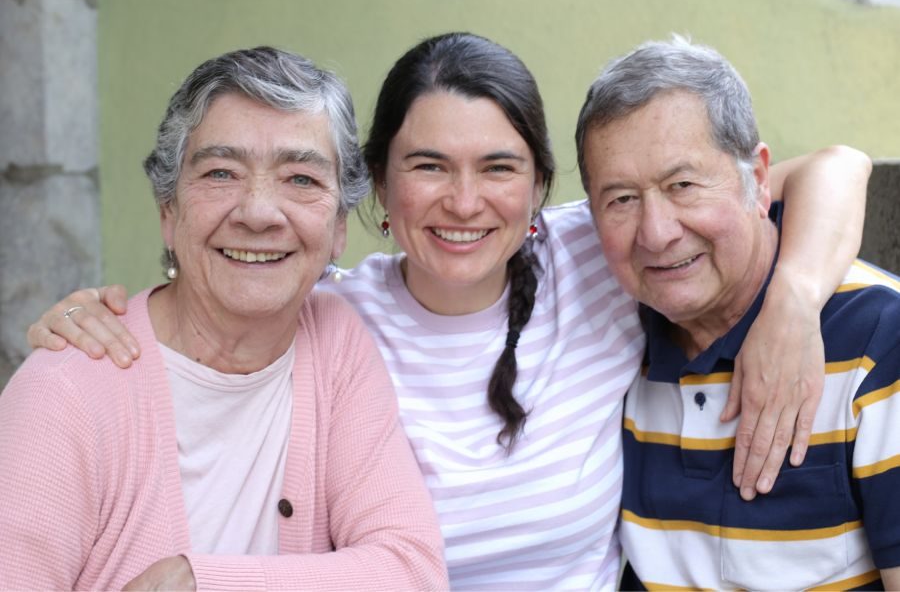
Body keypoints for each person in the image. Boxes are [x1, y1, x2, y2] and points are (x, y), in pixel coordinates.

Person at [24, 33, 872, 590]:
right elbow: (225, 282)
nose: (464, 203)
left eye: (497, 167)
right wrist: (93, 330)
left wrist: (793, 303)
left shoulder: (608, 246)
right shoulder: (334, 317)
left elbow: (829, 167)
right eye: (428, 165)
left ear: (539, 190)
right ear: (380, 193)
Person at [0, 47, 447, 591]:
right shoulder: (66, 390)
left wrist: (202, 582)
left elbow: (412, 572)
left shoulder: (335, 341)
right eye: (220, 172)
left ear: (338, 228)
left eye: (301, 179)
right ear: (168, 212)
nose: (258, 212)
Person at [576, 35, 900, 590]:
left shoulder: (876, 339)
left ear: (758, 179)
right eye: (622, 199)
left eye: (683, 185)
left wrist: (793, 300)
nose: (656, 233)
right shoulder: (614, 331)